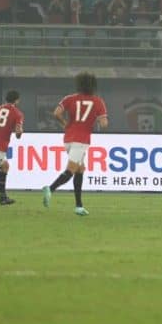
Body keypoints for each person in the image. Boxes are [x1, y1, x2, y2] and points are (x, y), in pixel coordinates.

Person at [42, 72, 108, 216]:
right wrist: (98, 119)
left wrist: (65, 123)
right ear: (93, 85)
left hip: (68, 138)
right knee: (71, 170)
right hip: (81, 140)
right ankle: (50, 188)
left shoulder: (69, 98)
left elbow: (56, 113)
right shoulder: (98, 101)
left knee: (80, 169)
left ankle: (79, 206)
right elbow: (104, 124)